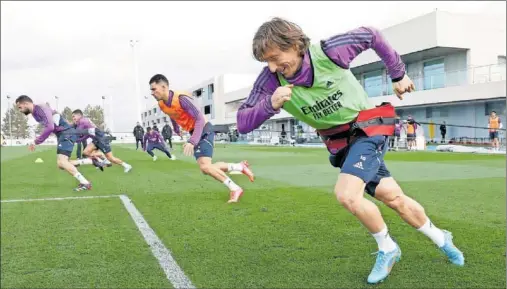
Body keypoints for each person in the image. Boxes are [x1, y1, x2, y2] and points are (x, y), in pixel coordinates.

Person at [237, 18, 464, 284]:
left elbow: (371, 35)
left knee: (347, 195)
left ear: (296, 45)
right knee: (394, 198)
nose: (273, 66)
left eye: (275, 57)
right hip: (341, 144)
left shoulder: (329, 52)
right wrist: (269, 105)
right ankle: (441, 237)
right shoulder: (269, 81)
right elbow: (242, 122)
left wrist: (398, 73)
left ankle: (388, 248)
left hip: (369, 127)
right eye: (267, 61)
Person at [149, 74, 255, 203]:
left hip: (204, 129)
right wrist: (176, 129)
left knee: (205, 167)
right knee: (207, 168)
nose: (152, 93)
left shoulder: (182, 99)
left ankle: (235, 188)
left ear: (164, 86)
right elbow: (171, 114)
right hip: (194, 131)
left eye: (154, 89)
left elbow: (199, 119)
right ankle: (239, 167)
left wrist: (192, 141)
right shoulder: (161, 104)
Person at [15, 95, 96, 191]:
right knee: (61, 164)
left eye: (20, 107)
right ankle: (90, 161)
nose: (20, 110)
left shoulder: (40, 109)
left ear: (26, 103)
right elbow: (52, 123)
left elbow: (50, 127)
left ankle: (85, 182)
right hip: (62, 135)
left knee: (62, 162)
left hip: (66, 134)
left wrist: (36, 141)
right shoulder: (35, 113)